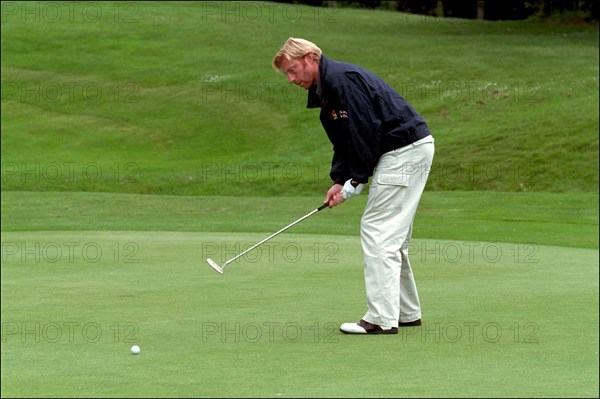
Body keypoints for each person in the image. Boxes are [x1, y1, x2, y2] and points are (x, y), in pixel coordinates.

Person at [272, 38, 434, 335]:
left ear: (310, 58)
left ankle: (381, 318)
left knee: (377, 230)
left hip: (403, 151)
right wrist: (340, 180)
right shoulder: (329, 89)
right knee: (391, 238)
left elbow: (365, 132)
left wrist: (356, 180)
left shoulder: (340, 81)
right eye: (287, 75)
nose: (292, 79)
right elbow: (344, 140)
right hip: (406, 150)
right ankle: (405, 312)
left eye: (293, 70)